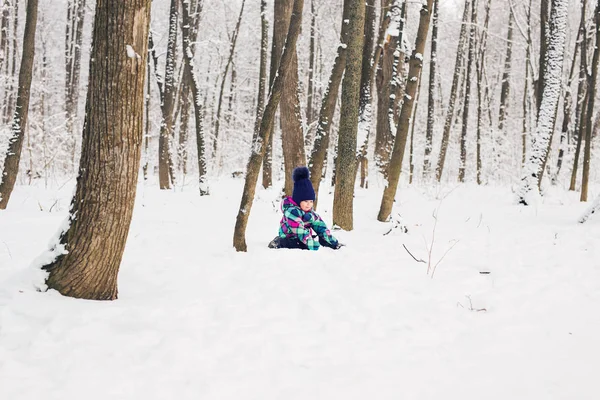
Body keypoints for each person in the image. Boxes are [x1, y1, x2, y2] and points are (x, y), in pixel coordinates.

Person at [268, 166, 343, 250]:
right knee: (295, 243)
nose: (309, 204)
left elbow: (321, 228)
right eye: (305, 201)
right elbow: (299, 230)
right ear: (298, 200)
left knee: (318, 237)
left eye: (311, 201)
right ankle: (278, 242)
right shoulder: (291, 211)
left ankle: (326, 243)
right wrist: (312, 245)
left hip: (303, 237)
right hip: (289, 236)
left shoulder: (311, 214)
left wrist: (333, 242)